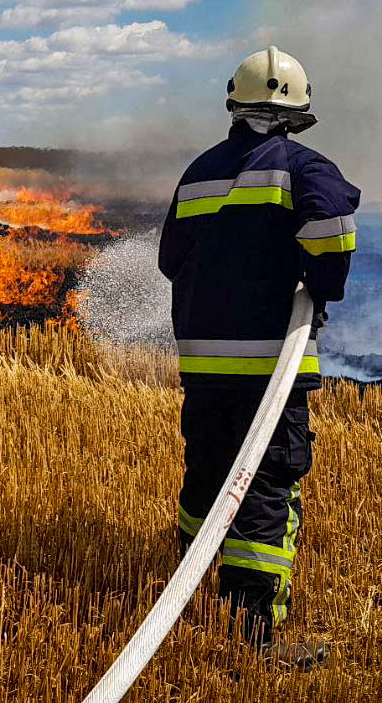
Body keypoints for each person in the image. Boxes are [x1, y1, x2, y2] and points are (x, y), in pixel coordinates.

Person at [157, 46, 359, 669]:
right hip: (270, 366)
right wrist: (319, 287)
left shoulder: (198, 171)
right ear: (299, 108)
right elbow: (331, 229)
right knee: (267, 490)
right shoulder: (304, 166)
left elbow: (171, 260)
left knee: (208, 476)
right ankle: (254, 639)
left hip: (203, 362)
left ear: (233, 102)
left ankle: (190, 590)